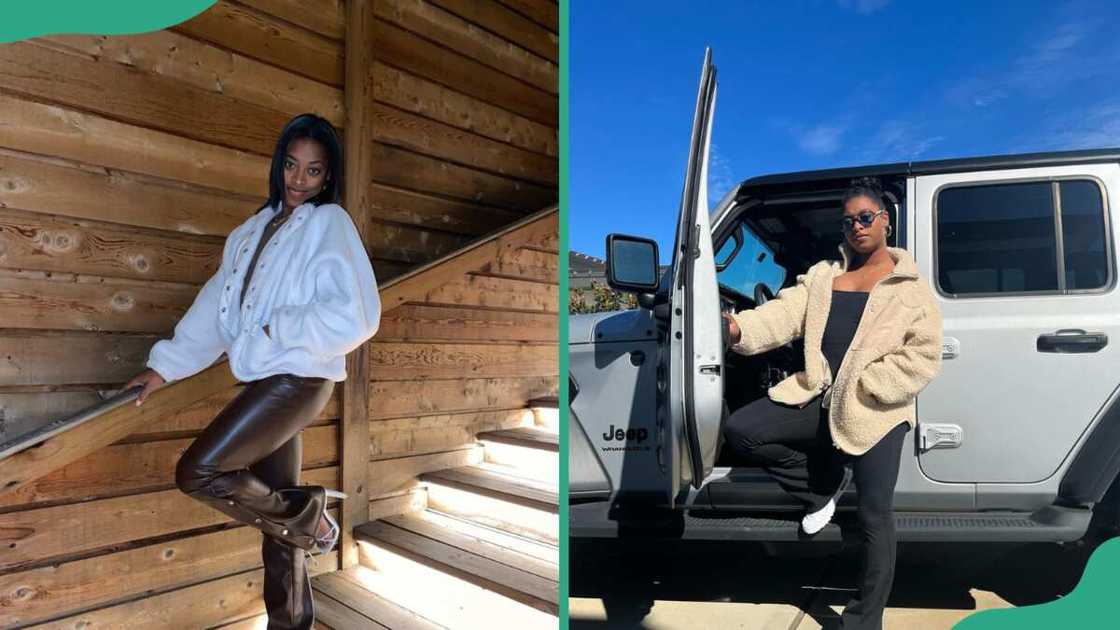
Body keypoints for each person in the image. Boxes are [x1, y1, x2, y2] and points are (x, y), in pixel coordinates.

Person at [122, 113, 381, 630]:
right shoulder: (250, 232)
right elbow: (214, 310)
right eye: (291, 165)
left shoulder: (330, 225)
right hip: (267, 381)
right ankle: (292, 619)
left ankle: (309, 518)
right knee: (274, 521)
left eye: (313, 171)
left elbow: (358, 314)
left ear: (327, 177)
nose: (298, 180)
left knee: (198, 471)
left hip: (299, 380)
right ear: (278, 165)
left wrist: (273, 332)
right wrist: (163, 368)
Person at [721, 176, 943, 630]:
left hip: (875, 411)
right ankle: (820, 488)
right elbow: (782, 314)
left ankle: (864, 621)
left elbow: (923, 354)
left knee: (875, 514)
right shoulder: (824, 277)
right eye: (848, 221)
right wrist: (738, 330)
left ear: (885, 221)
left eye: (865, 217)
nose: (857, 227)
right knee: (743, 430)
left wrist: (870, 385)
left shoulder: (909, 285)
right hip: (818, 393)